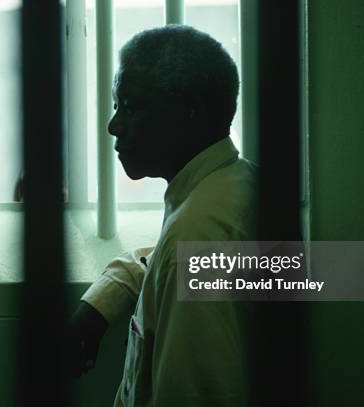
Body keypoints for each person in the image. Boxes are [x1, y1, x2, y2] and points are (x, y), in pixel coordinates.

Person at [68, 25, 258, 406]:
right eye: (116, 104)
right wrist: (106, 297)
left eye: (132, 106)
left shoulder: (196, 232)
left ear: (192, 113)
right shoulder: (237, 185)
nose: (113, 125)